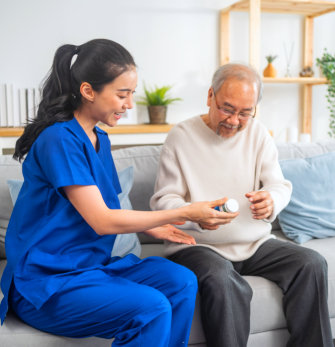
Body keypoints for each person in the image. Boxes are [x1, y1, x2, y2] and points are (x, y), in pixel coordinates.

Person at [0, 39, 230, 347]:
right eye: (122, 94)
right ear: (88, 90)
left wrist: (154, 225)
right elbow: (102, 221)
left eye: (132, 93)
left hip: (89, 269)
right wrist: (185, 211)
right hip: (46, 284)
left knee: (181, 281)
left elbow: (104, 207)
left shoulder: (100, 140)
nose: (130, 104)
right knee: (151, 307)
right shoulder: (59, 140)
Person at [150, 63, 333, 347]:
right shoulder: (181, 137)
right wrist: (196, 217)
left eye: (245, 113)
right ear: (210, 96)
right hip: (197, 246)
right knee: (222, 280)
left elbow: (279, 185)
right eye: (227, 109)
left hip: (255, 244)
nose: (235, 120)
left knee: (311, 263)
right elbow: (164, 201)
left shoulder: (258, 134)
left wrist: (271, 201)